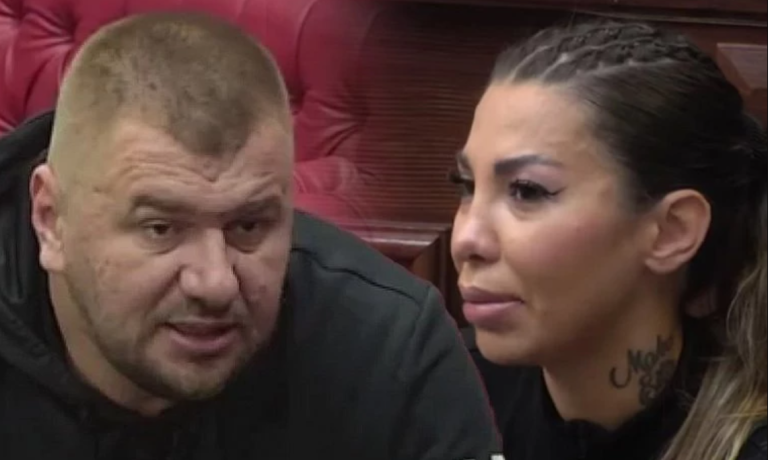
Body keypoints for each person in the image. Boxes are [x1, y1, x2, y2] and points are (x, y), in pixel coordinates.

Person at [0, 12, 503, 460]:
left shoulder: (390, 351)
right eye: (161, 228)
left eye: (248, 226)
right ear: (50, 220)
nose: (216, 283)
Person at [449, 19, 767, 460]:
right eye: (466, 186)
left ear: (672, 230)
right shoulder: (444, 390)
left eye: (526, 190)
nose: (466, 238)